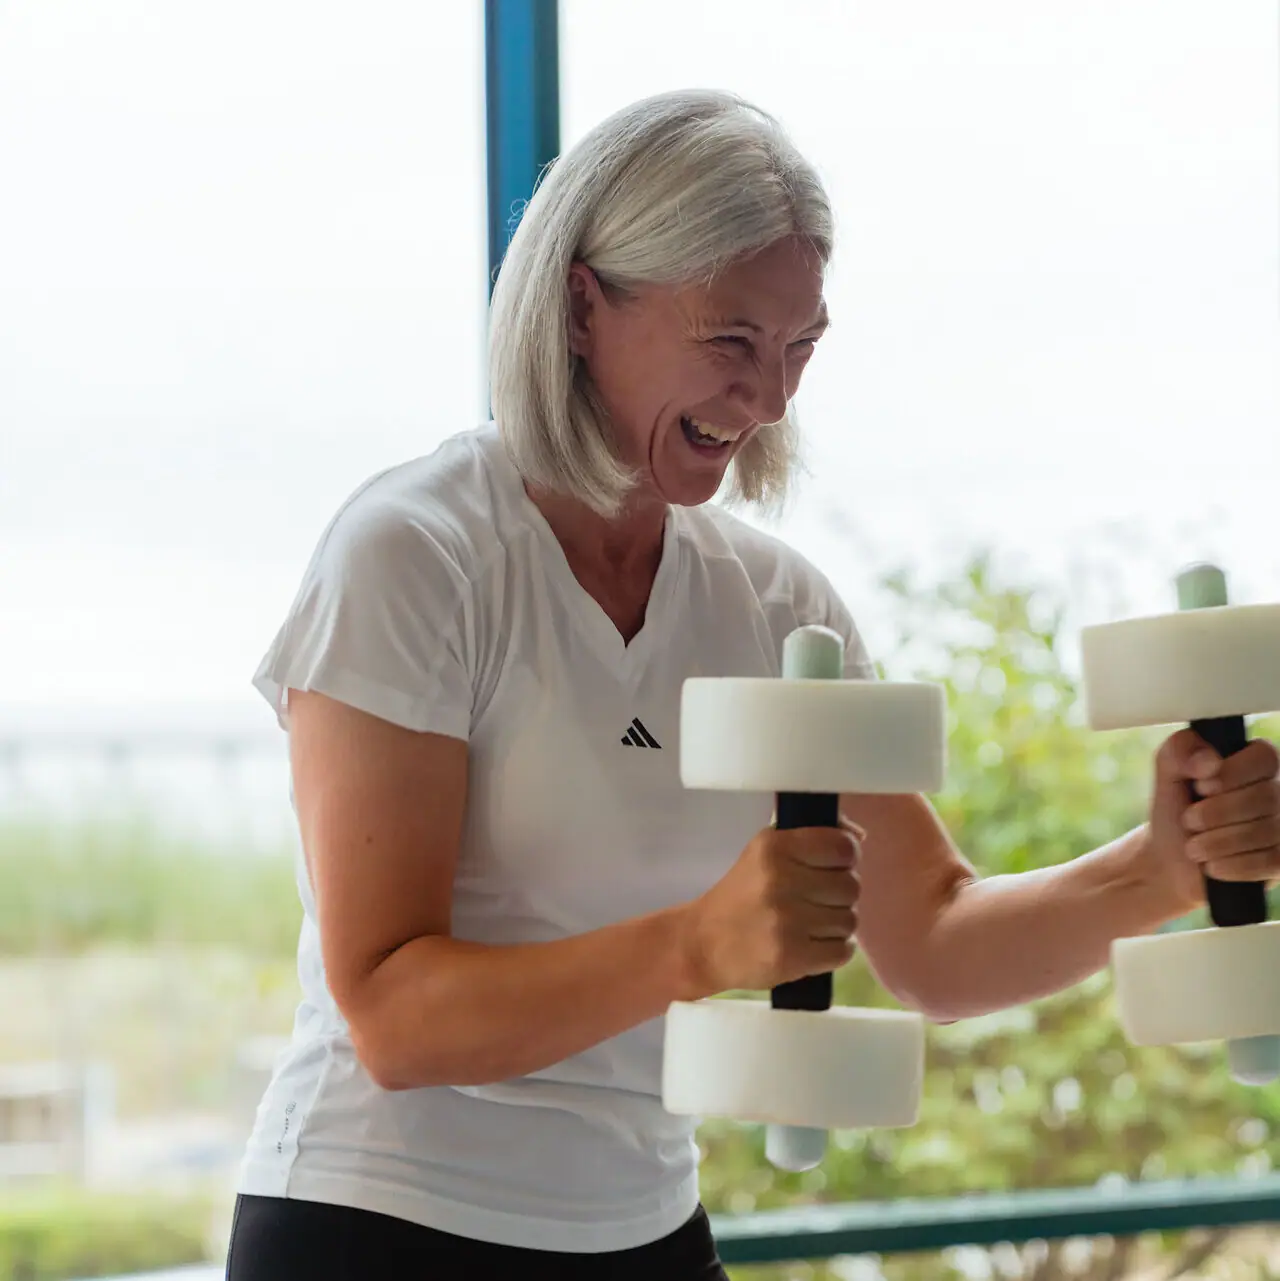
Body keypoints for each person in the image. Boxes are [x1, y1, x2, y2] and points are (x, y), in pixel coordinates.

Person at [223, 89, 1280, 1280]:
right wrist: (698, 945)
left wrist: (1158, 867)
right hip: (378, 1225)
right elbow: (392, 1017)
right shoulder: (416, 555)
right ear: (580, 306)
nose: (771, 398)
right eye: (730, 343)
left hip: (644, 1232)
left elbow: (930, 945)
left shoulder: (777, 610)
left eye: (799, 350)